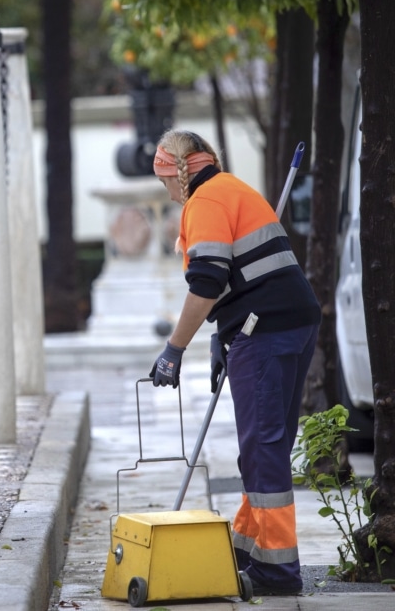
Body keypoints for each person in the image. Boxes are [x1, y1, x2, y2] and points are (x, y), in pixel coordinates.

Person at [149, 129, 321, 596]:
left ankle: (279, 573)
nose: (165, 191)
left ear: (174, 173)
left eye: (162, 180)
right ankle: (249, 552)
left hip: (264, 330)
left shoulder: (203, 203)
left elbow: (206, 280)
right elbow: (238, 276)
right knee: (269, 447)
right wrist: (221, 337)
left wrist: (174, 349)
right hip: (291, 321)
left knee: (263, 450)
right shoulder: (235, 189)